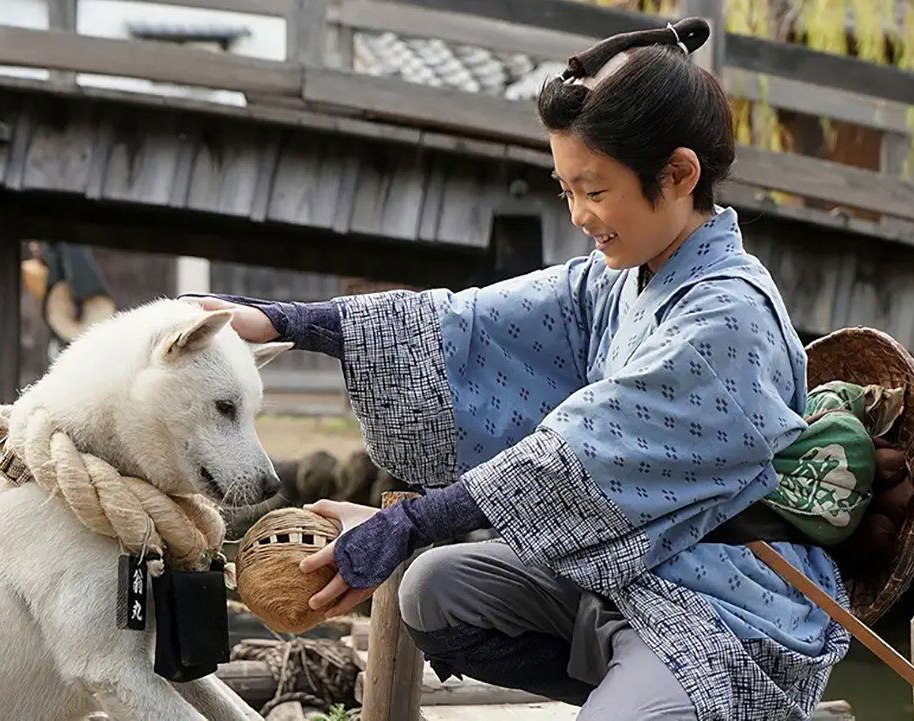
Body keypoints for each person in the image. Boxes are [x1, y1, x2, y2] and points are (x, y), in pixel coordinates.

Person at [185, 17, 848, 721]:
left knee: (438, 568)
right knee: (432, 590)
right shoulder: (619, 276)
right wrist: (287, 321)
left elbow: (576, 456)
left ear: (679, 174)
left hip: (720, 604)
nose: (580, 214)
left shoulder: (727, 317)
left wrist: (407, 525)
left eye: (595, 190)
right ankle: (632, 691)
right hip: (619, 574)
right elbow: (469, 323)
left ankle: (651, 698)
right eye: (567, 190)